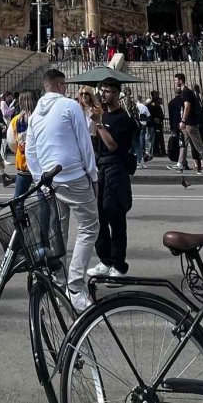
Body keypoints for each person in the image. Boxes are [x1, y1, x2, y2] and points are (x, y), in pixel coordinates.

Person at [26, 66, 100, 311]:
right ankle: (75, 284)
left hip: (51, 179)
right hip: (73, 174)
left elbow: (31, 152)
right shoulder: (70, 106)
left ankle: (59, 280)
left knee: (59, 231)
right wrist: (93, 175)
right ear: (59, 85)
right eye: (65, 85)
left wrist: (40, 179)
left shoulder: (35, 114)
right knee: (90, 226)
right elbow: (84, 141)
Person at [89, 77, 137, 277]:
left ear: (117, 94)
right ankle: (105, 260)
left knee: (116, 218)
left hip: (116, 170)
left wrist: (100, 124)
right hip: (100, 169)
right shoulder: (102, 116)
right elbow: (94, 142)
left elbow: (113, 146)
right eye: (101, 90)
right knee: (98, 216)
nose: (103, 94)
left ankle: (118, 264)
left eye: (107, 91)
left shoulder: (123, 119)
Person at [168, 73, 203, 173]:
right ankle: (180, 163)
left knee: (198, 145)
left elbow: (187, 107)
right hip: (187, 123)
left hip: (190, 123)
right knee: (183, 143)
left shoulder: (186, 92)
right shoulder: (184, 92)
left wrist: (183, 120)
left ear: (180, 80)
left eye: (175, 80)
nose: (174, 82)